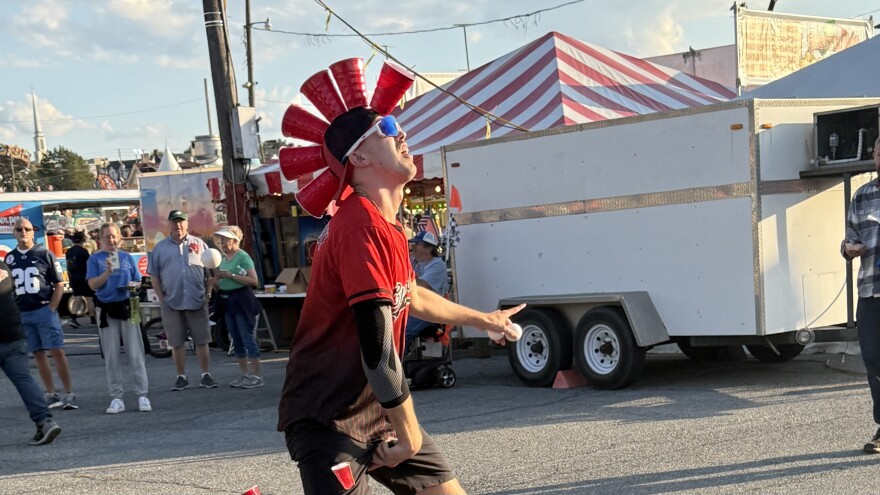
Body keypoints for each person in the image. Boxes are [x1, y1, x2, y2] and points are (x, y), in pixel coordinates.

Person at [278, 62, 523, 495]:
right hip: (329, 418)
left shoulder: (385, 225)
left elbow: (411, 295)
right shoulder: (362, 227)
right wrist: (409, 435)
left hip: (379, 407)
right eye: (388, 127)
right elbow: (378, 351)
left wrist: (485, 320)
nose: (402, 133)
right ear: (359, 157)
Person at [7, 218, 78, 410]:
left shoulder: (44, 253)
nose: (23, 232)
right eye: (19, 229)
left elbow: (59, 284)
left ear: (33, 232)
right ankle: (51, 393)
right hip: (23, 312)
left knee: (57, 350)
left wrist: (52, 308)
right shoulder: (9, 258)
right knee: (38, 354)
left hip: (43, 308)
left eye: (27, 229)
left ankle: (69, 392)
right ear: (13, 232)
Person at [148, 210, 217, 391]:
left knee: (202, 340)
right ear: (168, 225)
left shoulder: (199, 244)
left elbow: (210, 273)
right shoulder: (160, 248)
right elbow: (154, 276)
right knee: (176, 342)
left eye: (181, 222)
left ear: (187, 224)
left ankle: (206, 374)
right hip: (172, 302)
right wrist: (162, 299)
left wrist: (208, 294)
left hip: (196, 299)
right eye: (174, 222)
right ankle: (181, 376)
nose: (178, 225)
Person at [87, 223, 151, 414]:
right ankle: (116, 397)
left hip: (126, 305)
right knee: (112, 355)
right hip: (106, 308)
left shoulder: (126, 257)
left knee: (135, 353)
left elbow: (138, 280)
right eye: (107, 237)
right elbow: (92, 285)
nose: (111, 240)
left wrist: (134, 286)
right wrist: (107, 272)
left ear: (120, 238)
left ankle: (142, 394)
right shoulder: (94, 259)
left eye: (114, 236)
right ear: (101, 239)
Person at [842, 135, 880, 454]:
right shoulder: (862, 195)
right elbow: (848, 238)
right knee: (872, 359)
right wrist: (848, 248)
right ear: (874, 155)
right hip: (870, 292)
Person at [0, 259, 62, 445]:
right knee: (24, 379)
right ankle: (45, 421)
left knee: (23, 379)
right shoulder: (3, 267)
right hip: (13, 332)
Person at [211, 225, 263, 389]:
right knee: (236, 338)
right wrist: (216, 283)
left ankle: (257, 376)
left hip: (241, 301)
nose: (222, 242)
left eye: (225, 239)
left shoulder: (243, 256)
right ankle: (244, 375)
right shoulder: (224, 258)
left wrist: (232, 276)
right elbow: (224, 281)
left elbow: (253, 280)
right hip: (227, 302)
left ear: (235, 240)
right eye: (221, 240)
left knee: (247, 337)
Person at [405, 231, 449, 349]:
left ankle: (396, 363)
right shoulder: (413, 260)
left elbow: (422, 285)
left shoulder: (437, 265)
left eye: (416, 244)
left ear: (428, 248)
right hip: (415, 308)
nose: (412, 247)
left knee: (404, 331)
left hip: (431, 311)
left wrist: (403, 277)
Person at [66, 231, 96, 328]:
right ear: (83, 240)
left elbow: (68, 266)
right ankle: (93, 319)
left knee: (77, 297)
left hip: (73, 278)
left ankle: (73, 318)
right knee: (89, 298)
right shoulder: (84, 251)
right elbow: (89, 265)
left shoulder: (69, 251)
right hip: (84, 277)